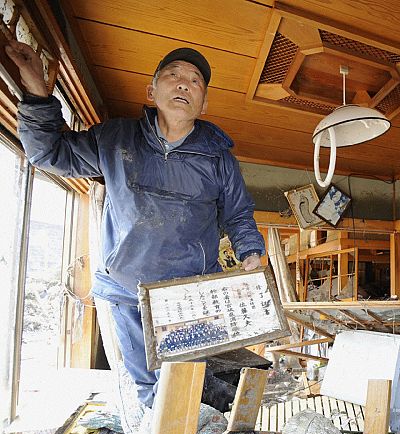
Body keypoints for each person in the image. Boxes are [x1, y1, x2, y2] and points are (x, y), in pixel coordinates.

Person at [6, 41, 265, 407]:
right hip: (126, 290)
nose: (182, 84)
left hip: (188, 296)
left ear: (204, 104)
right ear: (151, 90)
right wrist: (36, 93)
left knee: (185, 383)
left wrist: (251, 257)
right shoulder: (115, 139)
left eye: (195, 81)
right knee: (145, 386)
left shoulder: (219, 158)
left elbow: (239, 215)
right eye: (173, 75)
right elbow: (49, 152)